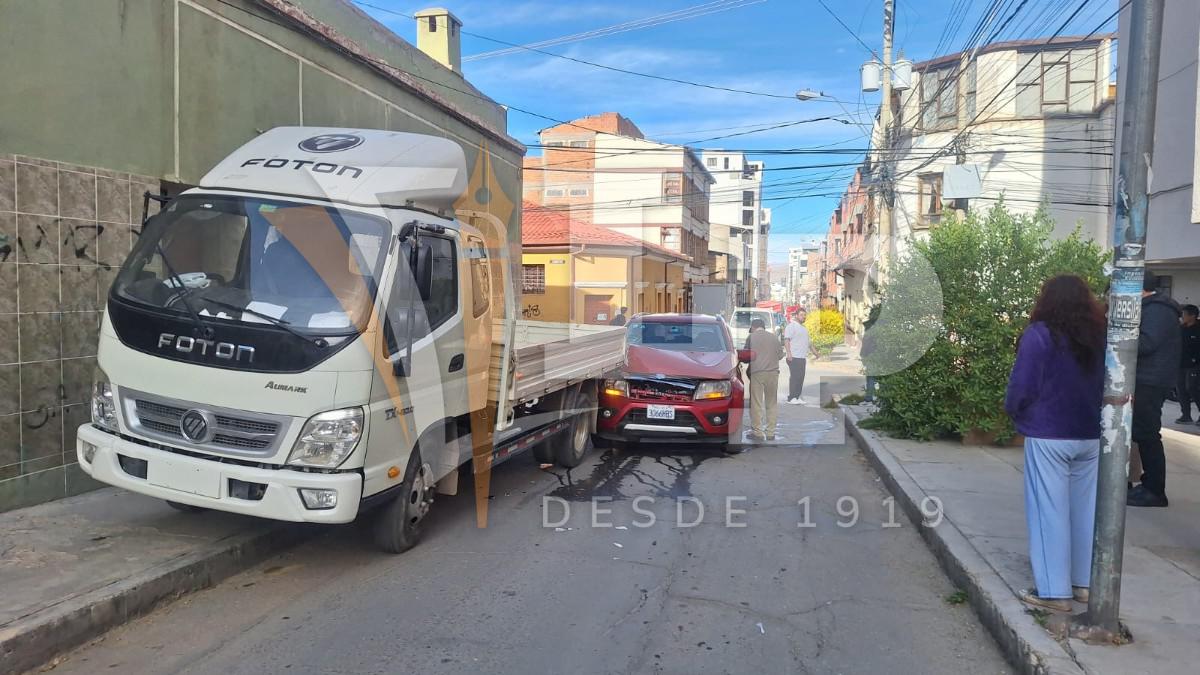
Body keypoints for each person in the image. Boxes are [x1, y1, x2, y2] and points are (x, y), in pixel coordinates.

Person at [1005, 275, 1105, 612]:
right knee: (1084, 511)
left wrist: (1015, 412)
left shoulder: (1040, 334)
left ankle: (1053, 592)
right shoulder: (1099, 335)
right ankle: (1083, 585)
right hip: (1090, 434)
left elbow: (1022, 385)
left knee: (1049, 511)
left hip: (1049, 433)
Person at [1128, 273, 1182, 507]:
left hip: (1151, 379)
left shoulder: (1157, 309)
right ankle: (1147, 484)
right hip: (1147, 378)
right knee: (1141, 432)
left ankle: (1154, 489)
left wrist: (1120, 335)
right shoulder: (1152, 308)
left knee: (1147, 434)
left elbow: (1147, 343)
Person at [745, 318, 785, 442]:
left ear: (753, 327)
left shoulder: (751, 338)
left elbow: (746, 356)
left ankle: (758, 433)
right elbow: (780, 355)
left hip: (757, 373)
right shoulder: (773, 337)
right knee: (771, 403)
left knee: (756, 403)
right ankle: (770, 433)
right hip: (773, 373)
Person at [1174, 304, 1200, 424]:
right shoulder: (1181, 329)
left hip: (1195, 365)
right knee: (1181, 390)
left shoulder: (1198, 329)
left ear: (1192, 316)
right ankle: (1186, 415)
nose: (1182, 317)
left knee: (1192, 388)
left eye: (1184, 314)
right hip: (1180, 363)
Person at [783, 309, 813, 404]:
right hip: (794, 356)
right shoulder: (791, 326)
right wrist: (789, 354)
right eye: (801, 315)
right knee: (795, 377)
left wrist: (816, 354)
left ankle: (797, 396)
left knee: (800, 378)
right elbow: (786, 340)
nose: (803, 317)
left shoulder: (804, 328)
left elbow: (809, 343)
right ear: (796, 315)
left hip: (802, 357)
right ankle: (791, 398)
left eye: (805, 315)